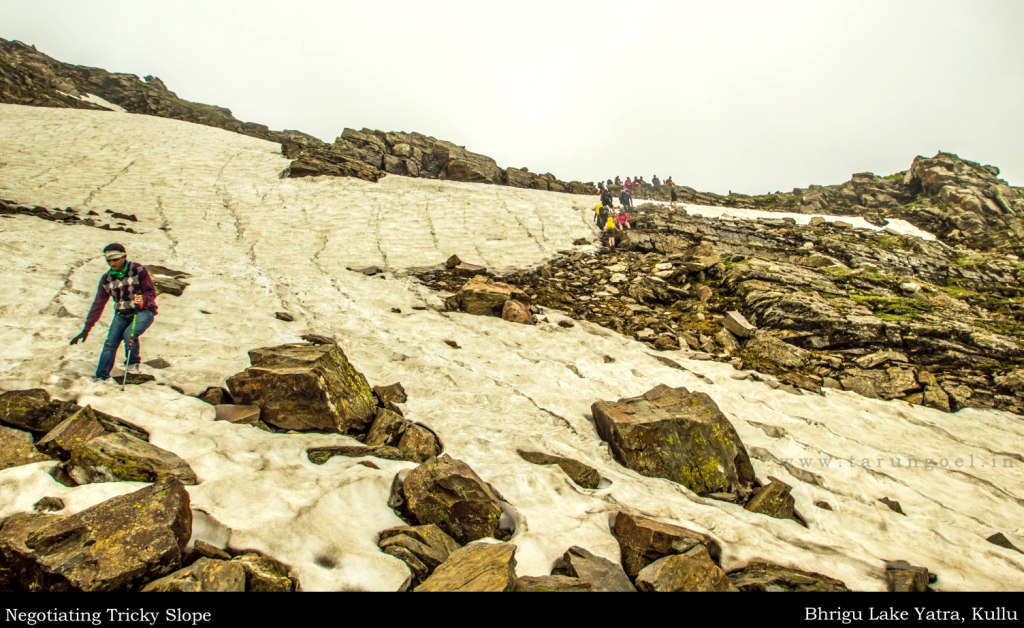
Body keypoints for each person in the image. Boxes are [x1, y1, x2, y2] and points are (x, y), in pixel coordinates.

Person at [69, 243, 158, 382]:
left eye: (115, 259)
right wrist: (87, 328)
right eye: (108, 260)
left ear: (124, 257)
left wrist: (144, 299)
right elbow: (98, 304)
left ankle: (132, 363)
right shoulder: (107, 279)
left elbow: (151, 291)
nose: (112, 263)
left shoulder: (138, 270)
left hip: (144, 311)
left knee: (130, 334)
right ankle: (101, 375)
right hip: (121, 314)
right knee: (110, 343)